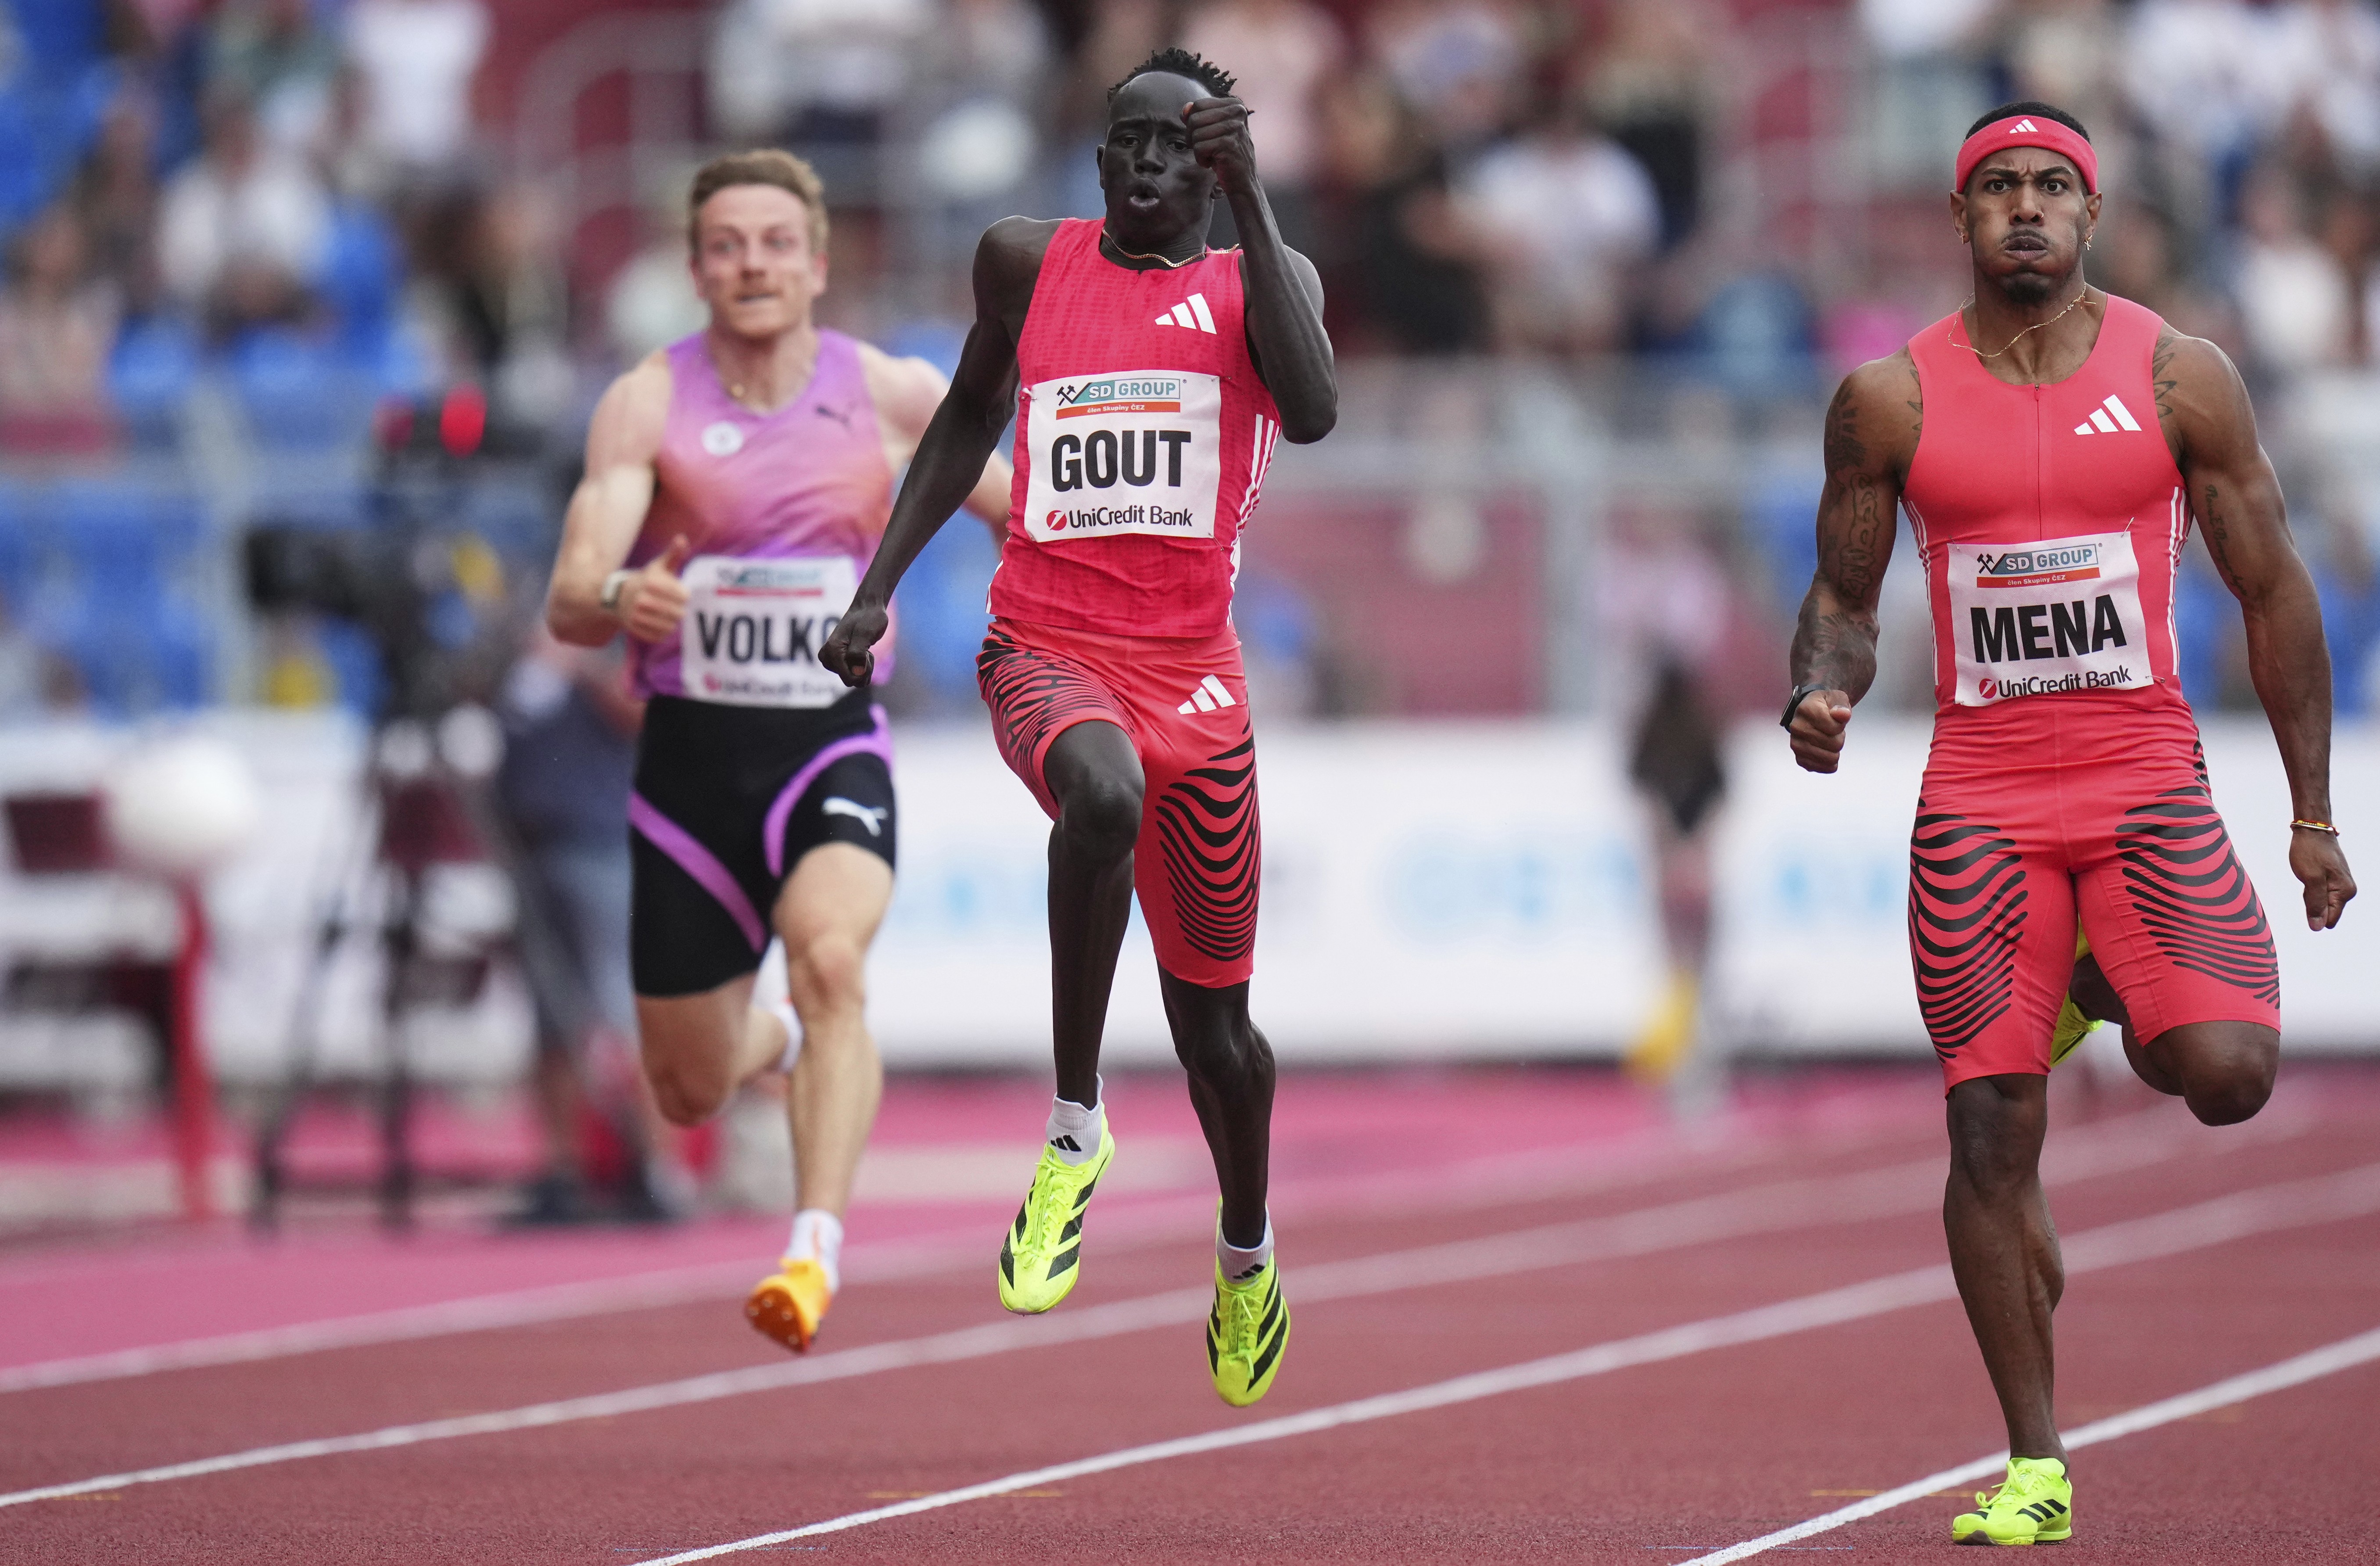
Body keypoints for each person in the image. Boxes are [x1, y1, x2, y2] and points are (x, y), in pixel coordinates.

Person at [1785, 102, 2357, 1546]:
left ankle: (2095, 988)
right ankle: (2035, 1462)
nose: (2025, 207)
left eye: (2052, 186)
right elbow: (1845, 602)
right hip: (1979, 804)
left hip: (2144, 783)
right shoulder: (1888, 403)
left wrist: (2310, 814)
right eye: (1998, 189)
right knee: (1991, 1133)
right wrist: (1820, 689)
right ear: (1960, 218)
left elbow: (2274, 589)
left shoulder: (2181, 377)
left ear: (2091, 216)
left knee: (2227, 1074)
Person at [820, 47, 1337, 1407]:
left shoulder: (1256, 288)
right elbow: (961, 421)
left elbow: (1321, 409)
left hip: (1199, 682)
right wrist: (877, 593)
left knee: (1219, 1036)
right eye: (1130, 142)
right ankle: (1073, 1128)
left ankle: (1246, 1256)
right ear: (1098, 158)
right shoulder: (1021, 262)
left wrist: (1260, 200)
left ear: (1215, 166)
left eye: (1182, 145)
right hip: (1045, 644)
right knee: (1097, 796)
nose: (1151, 163)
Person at [544, 149, 1011, 1352]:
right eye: (727, 244)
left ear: (815, 262)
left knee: (833, 960)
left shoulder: (892, 394)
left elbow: (1033, 515)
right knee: (688, 1085)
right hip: (688, 777)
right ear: (696, 267)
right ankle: (788, 1045)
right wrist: (619, 591)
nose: (752, 263)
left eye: (774, 242)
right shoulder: (648, 400)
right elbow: (567, 600)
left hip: (828, 749)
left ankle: (812, 1251)